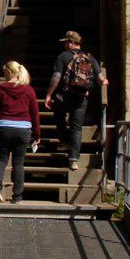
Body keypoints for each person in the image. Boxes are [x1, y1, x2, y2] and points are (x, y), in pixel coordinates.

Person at [44, 30, 108, 171]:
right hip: (81, 98)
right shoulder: (89, 57)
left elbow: (56, 77)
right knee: (76, 128)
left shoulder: (63, 57)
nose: (64, 45)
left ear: (71, 43)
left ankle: (65, 140)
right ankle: (73, 160)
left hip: (64, 97)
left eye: (66, 42)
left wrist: (49, 95)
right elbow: (99, 77)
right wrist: (104, 81)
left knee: (59, 115)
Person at [0, 61, 40, 204]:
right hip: (23, 130)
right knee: (18, 163)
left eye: (4, 73)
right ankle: (17, 197)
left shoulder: (1, 89)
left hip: (4, 128)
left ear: (9, 73)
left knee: (1, 159)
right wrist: (37, 134)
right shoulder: (29, 91)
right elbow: (35, 114)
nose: (4, 77)